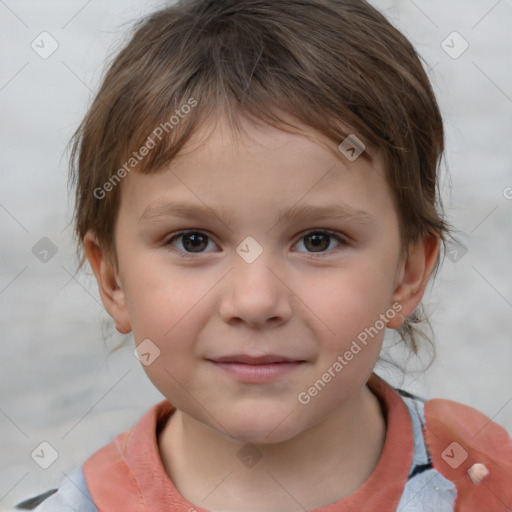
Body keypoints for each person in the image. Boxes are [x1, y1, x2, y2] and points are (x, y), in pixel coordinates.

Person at [15, 0, 512, 510]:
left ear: (408, 273)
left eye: (318, 240)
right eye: (193, 241)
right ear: (113, 279)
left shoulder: (487, 480)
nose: (255, 302)